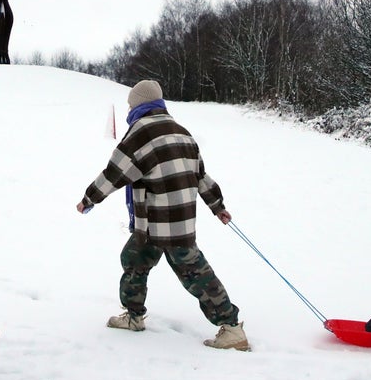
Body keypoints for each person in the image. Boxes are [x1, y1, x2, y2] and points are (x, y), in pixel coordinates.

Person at [76, 79, 250, 351]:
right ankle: (134, 316)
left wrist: (89, 199)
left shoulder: (140, 133)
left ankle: (231, 328)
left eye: (130, 105)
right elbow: (200, 175)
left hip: (163, 222)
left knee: (194, 273)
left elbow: (114, 173)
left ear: (137, 106)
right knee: (134, 259)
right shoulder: (182, 132)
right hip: (160, 222)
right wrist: (217, 205)